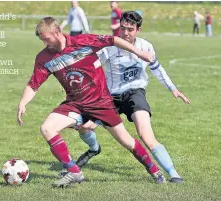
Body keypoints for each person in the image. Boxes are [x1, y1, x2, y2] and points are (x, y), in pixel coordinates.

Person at [18, 16, 165, 187]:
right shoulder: (44, 58)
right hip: (75, 103)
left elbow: (113, 39)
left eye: (47, 39)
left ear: (57, 32)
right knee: (47, 128)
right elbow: (34, 83)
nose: (45, 44)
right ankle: (74, 171)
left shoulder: (83, 41)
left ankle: (155, 171)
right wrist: (23, 102)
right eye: (42, 40)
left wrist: (138, 52)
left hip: (100, 103)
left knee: (126, 141)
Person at [70, 11, 191, 183]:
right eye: (123, 28)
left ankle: (174, 174)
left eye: (130, 29)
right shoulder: (110, 47)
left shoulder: (146, 47)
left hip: (135, 94)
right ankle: (94, 148)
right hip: (110, 97)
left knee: (146, 135)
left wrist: (173, 88)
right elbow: (91, 65)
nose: (125, 33)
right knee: (84, 127)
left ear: (138, 30)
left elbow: (156, 68)